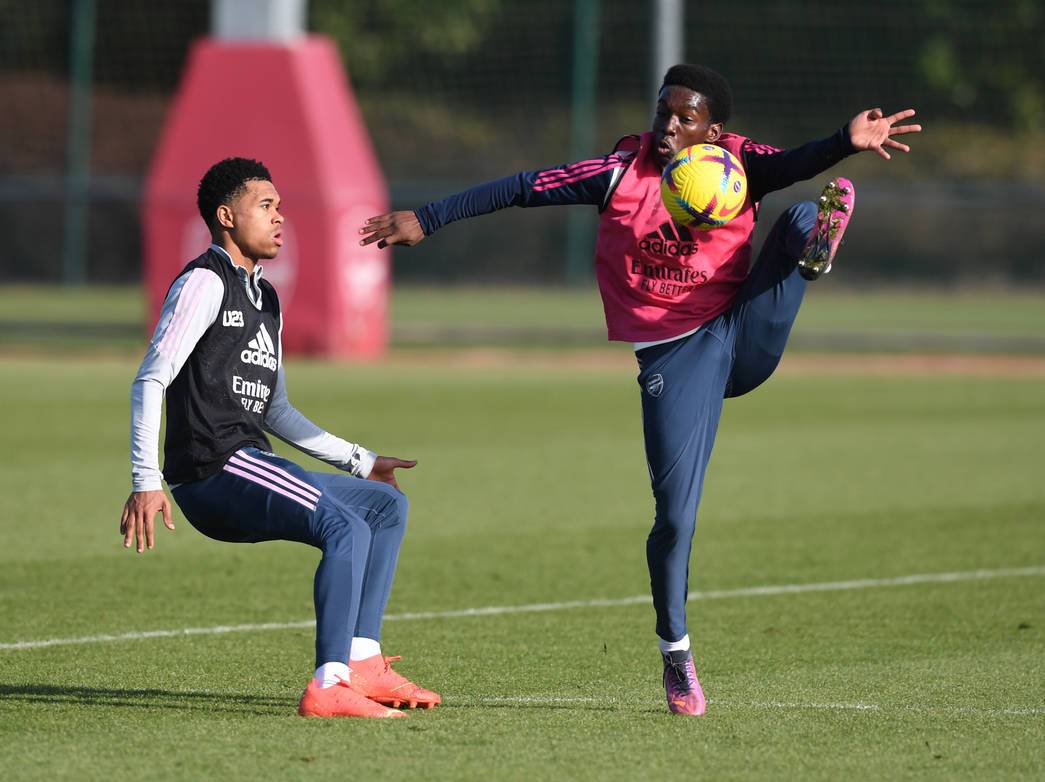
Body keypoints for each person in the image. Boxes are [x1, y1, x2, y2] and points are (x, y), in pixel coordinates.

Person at [358, 64, 921, 716]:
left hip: (741, 330)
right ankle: (675, 654)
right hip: (675, 357)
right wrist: (428, 218)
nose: (669, 126)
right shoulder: (619, 173)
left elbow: (796, 160)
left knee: (800, 215)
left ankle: (814, 248)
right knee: (676, 516)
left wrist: (844, 141)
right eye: (663, 113)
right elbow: (521, 187)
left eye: (685, 117)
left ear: (713, 130)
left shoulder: (735, 165)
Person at [121, 157, 439, 719]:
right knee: (342, 525)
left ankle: (362, 663)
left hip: (248, 463)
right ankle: (328, 684)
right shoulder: (203, 282)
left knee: (385, 506)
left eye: (280, 206)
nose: (280, 218)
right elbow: (151, 377)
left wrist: (361, 461)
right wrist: (146, 481)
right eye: (266, 206)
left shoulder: (265, 299)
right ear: (225, 216)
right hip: (213, 471)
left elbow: (278, 410)